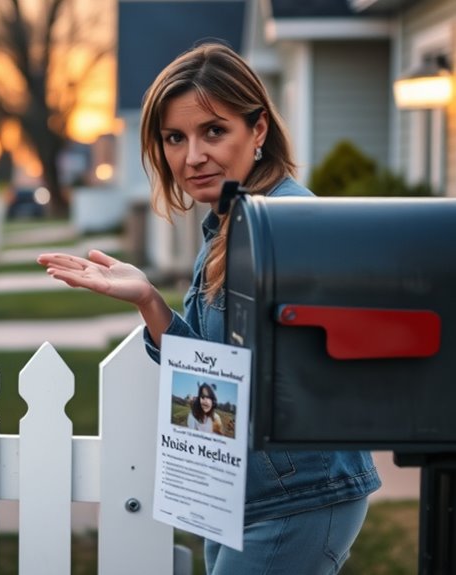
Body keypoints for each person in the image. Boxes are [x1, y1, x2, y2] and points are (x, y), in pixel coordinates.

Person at [38, 42, 380, 574]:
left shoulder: (287, 224)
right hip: (238, 495)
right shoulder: (227, 225)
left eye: (213, 131)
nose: (192, 156)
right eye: (174, 137)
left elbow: (328, 365)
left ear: (258, 130)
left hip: (298, 499)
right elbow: (212, 377)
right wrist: (149, 300)